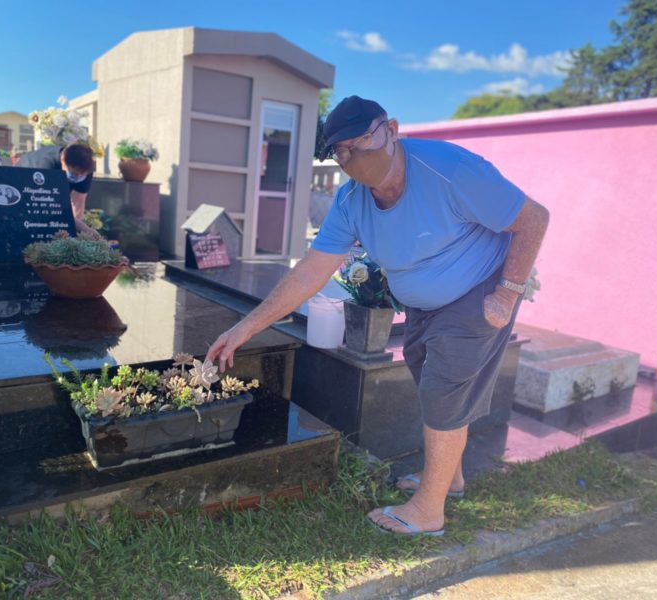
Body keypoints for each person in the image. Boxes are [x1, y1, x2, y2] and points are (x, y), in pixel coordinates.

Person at [206, 95, 550, 536]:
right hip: (424, 304)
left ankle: (429, 510)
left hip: (478, 288)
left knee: (444, 388)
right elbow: (312, 270)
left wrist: (507, 293)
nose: (354, 156)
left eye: (362, 140)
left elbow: (533, 219)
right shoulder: (351, 202)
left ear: (391, 128)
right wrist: (245, 326)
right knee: (431, 381)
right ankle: (452, 479)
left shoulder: (449, 169)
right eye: (342, 151)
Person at [17, 143, 98, 235]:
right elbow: (51, 206)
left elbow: (78, 202)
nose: (79, 177)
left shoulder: (85, 168)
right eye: (75, 174)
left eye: (82, 175)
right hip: (26, 187)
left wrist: (74, 232)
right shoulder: (45, 165)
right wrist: (84, 228)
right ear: (63, 161)